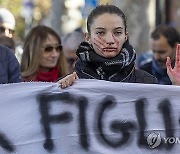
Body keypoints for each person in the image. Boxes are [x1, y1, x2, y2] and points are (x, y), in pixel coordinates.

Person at [58, 4, 157, 88]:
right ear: (88, 37)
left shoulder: (147, 83)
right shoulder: (69, 84)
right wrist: (62, 91)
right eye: (100, 33)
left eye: (117, 32)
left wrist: (173, 88)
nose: (110, 40)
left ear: (125, 36)